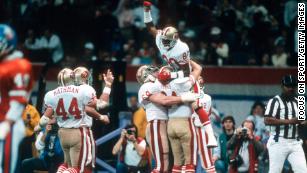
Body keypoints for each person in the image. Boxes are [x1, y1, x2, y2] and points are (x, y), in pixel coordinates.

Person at [143, 1, 217, 147]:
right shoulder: (161, 38)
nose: (163, 42)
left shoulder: (181, 48)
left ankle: (210, 135)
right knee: (159, 92)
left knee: (196, 104)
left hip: (185, 78)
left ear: (175, 39)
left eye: (167, 41)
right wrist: (146, 10)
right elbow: (150, 27)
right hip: (173, 74)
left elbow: (184, 71)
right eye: (163, 39)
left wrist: (169, 76)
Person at [35, 68, 109, 173]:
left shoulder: (51, 95)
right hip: (78, 131)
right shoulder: (83, 90)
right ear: (73, 77)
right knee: (79, 168)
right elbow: (101, 104)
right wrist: (108, 86)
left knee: (67, 164)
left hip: (62, 133)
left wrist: (38, 126)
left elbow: (45, 118)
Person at [137, 64, 199, 173]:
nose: (155, 70)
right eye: (150, 69)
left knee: (171, 166)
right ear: (147, 75)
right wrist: (183, 98)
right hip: (157, 125)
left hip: (168, 125)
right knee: (162, 167)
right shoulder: (146, 87)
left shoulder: (162, 84)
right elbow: (164, 100)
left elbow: (189, 77)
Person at [0, 24, 34, 173]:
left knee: (5, 167)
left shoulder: (18, 65)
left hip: (8, 123)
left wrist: (7, 124)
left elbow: (18, 101)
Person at [264, 75, 307, 173]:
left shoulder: (299, 101)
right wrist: (290, 121)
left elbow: (301, 122)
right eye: (288, 86)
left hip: (295, 142)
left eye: (293, 86)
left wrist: (304, 122)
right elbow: (267, 119)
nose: (291, 89)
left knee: (302, 171)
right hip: (279, 141)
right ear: (282, 86)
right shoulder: (275, 101)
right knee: (275, 171)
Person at [192, 76, 216, 173]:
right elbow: (209, 114)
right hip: (200, 128)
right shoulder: (208, 97)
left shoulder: (189, 95)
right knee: (207, 161)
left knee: (190, 160)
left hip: (197, 128)